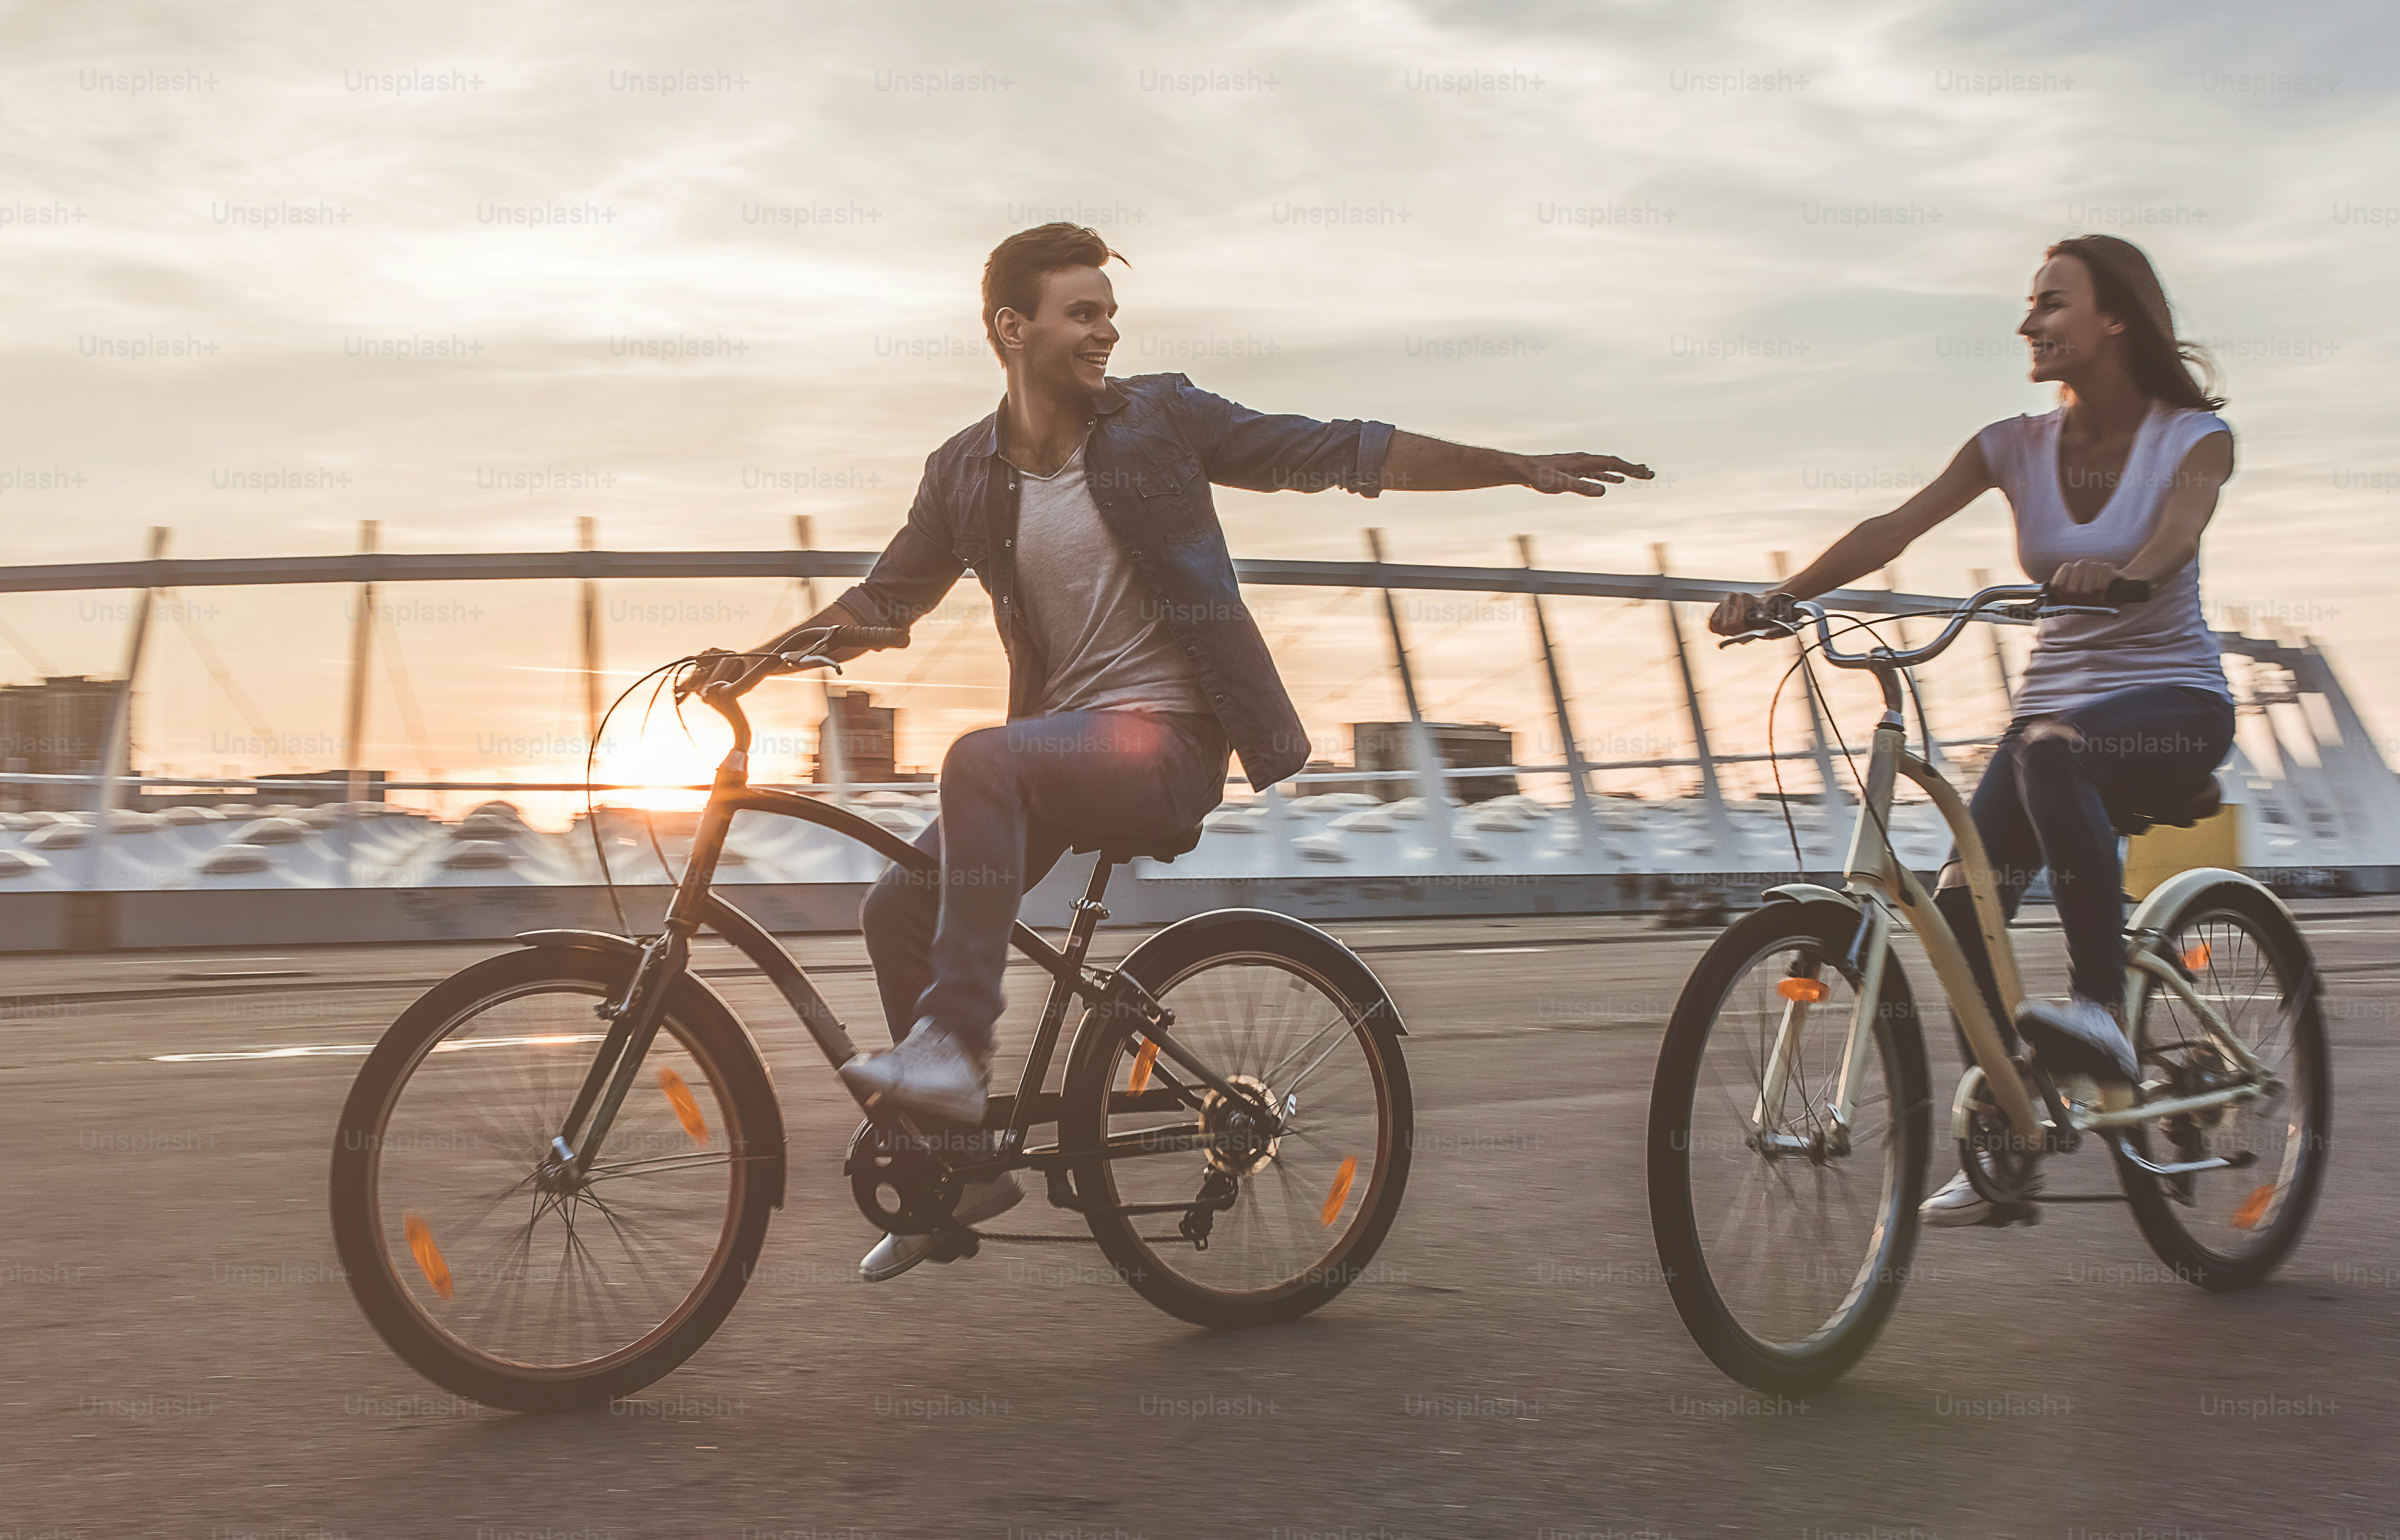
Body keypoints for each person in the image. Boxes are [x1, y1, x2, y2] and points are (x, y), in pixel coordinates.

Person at [742, 222, 1651, 1278]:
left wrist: (1515, 468)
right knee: (896, 903)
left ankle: (950, 1050)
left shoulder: (1159, 420)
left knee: (980, 758)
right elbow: (883, 601)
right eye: (1082, 313)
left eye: (1109, 314)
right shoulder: (963, 474)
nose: (1106, 332)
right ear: (1011, 328)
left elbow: (1337, 448)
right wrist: (751, 659)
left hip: (1164, 744)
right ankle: (958, 1160)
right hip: (1060, 754)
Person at [1709, 233, 2236, 1227]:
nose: (2028, 322)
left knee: (2045, 753)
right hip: (2055, 714)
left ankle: (2098, 1013)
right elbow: (1891, 530)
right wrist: (1783, 596)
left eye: (2051, 303)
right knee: (1957, 910)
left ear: (2115, 318)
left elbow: (2179, 531)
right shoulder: (2013, 445)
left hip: (2172, 703)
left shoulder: (2190, 438)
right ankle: (2009, 1135)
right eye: (2030, 304)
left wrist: (2126, 574)